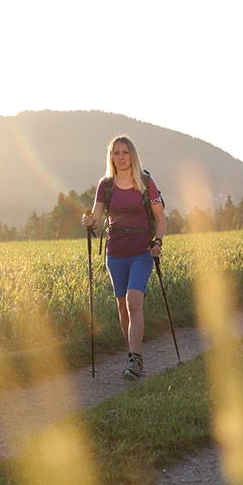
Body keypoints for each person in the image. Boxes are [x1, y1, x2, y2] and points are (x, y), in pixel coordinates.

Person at [81, 135, 167, 381]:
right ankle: (133, 354)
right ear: (112, 157)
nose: (121, 157)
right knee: (122, 305)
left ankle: (134, 359)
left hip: (141, 252)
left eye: (125, 152)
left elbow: (160, 218)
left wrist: (158, 243)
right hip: (115, 254)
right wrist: (89, 221)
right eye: (116, 153)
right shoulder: (105, 185)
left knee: (133, 301)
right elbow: (97, 218)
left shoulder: (145, 182)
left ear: (133, 155)